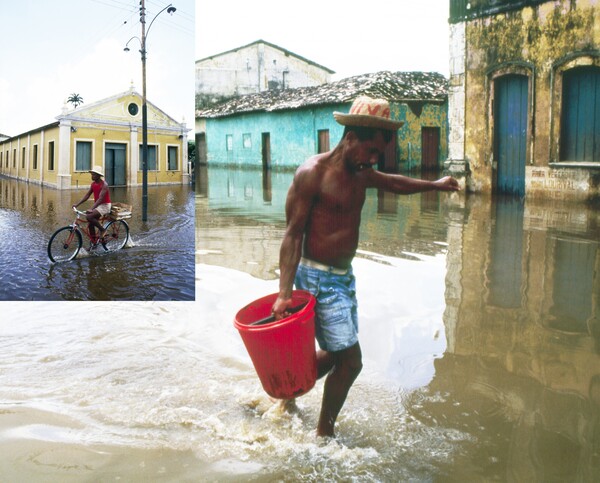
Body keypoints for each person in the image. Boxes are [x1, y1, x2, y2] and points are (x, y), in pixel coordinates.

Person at [271, 96, 460, 437]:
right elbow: (292, 235)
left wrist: (435, 185)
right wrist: (284, 294)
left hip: (343, 278)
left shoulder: (363, 174)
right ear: (351, 138)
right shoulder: (313, 174)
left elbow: (395, 183)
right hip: (317, 279)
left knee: (335, 352)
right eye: (370, 151)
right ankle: (323, 434)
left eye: (378, 155)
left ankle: (285, 392)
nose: (373, 160)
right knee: (351, 361)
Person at [72, 165, 112, 248]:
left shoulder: (104, 185)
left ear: (98, 175)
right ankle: (94, 243)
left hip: (105, 206)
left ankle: (103, 230)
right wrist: (77, 204)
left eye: (93, 174)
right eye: (92, 174)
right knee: (90, 224)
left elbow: (101, 199)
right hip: (98, 205)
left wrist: (91, 208)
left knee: (89, 216)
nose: (92, 176)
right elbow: (87, 196)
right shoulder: (93, 184)